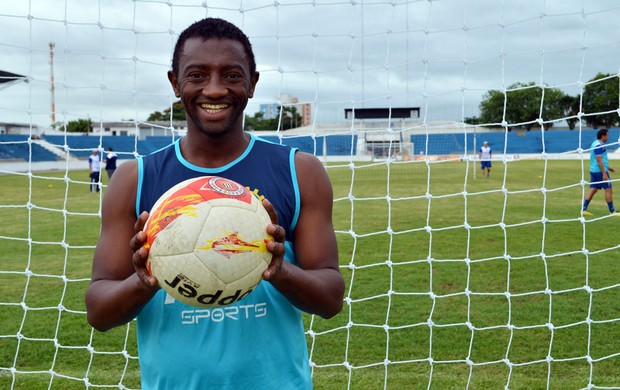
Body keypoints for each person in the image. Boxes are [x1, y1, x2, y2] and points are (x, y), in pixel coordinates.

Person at [85, 17, 345, 389]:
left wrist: (280, 270)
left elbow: (331, 298)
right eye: (197, 75)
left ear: (252, 83)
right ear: (175, 83)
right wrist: (145, 281)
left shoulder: (299, 171)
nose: (215, 89)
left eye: (232, 76)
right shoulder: (135, 180)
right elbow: (99, 310)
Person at [582, 128, 619, 216]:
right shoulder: (599, 145)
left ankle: (583, 209)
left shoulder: (595, 143)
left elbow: (598, 159)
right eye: (607, 135)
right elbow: (599, 160)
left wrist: (608, 168)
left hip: (594, 170)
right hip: (599, 171)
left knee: (593, 189)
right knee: (608, 189)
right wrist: (604, 173)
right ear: (603, 136)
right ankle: (612, 211)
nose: (608, 137)